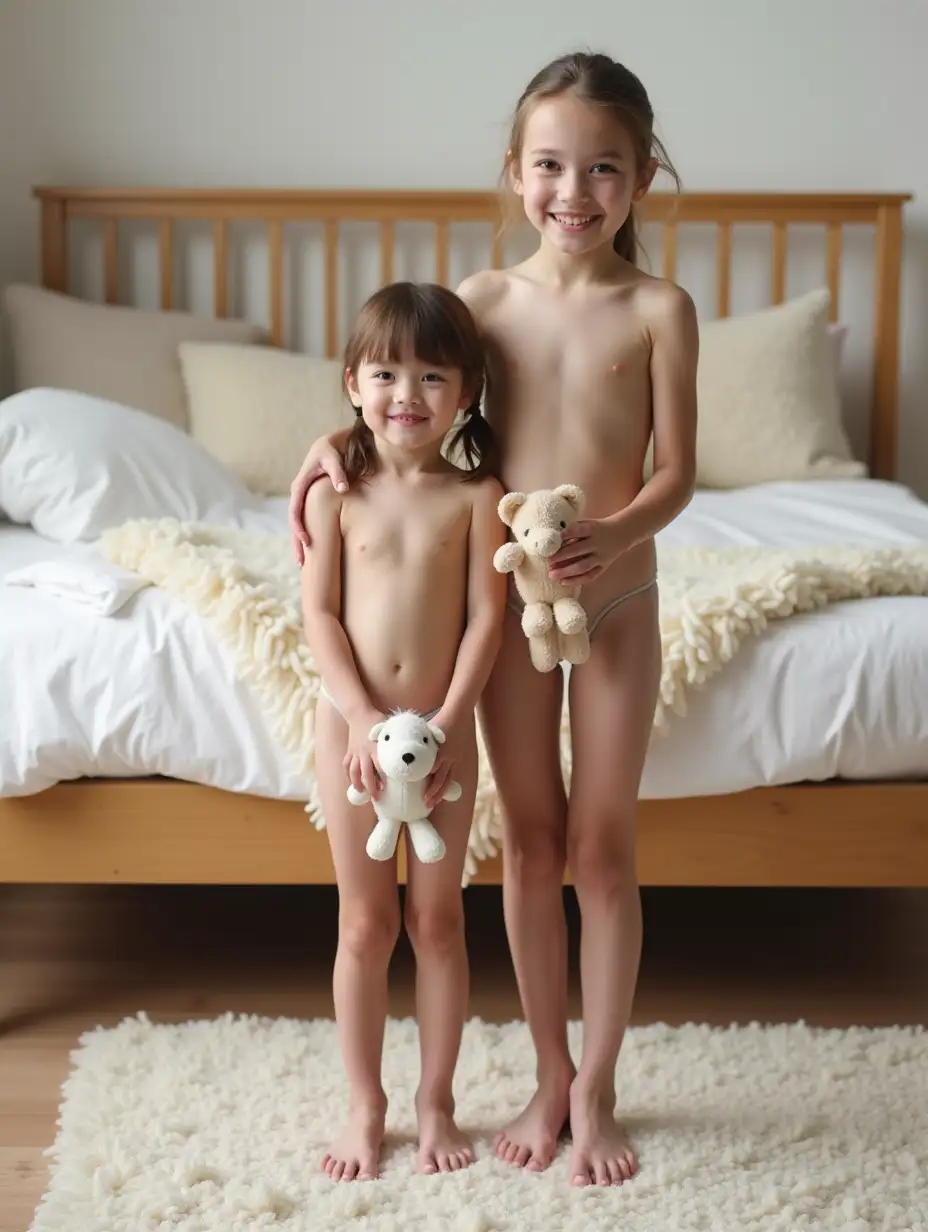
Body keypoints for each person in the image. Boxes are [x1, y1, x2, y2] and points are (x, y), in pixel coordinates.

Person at [292, 52, 698, 1188]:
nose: (575, 191)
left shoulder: (659, 307)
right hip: (508, 601)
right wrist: (326, 450)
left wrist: (614, 535)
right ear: (515, 171)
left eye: (603, 168)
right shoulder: (480, 300)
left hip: (612, 593)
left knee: (600, 846)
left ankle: (601, 1086)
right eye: (551, 165)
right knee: (525, 839)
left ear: (642, 176)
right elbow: (401, 408)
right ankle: (549, 1070)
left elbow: (676, 472)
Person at [299, 281, 507, 1182]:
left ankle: (435, 1101)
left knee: (438, 920)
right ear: (352, 382)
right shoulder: (335, 491)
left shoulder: (477, 494)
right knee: (363, 924)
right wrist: (357, 716)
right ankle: (364, 1103)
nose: (407, 395)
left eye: (432, 376)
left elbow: (486, 622)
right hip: (351, 733)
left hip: (444, 741)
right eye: (386, 373)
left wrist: (454, 721)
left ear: (465, 392)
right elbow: (319, 616)